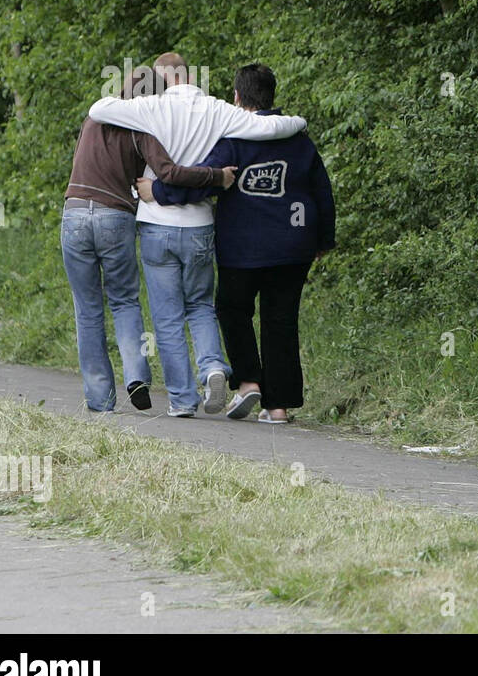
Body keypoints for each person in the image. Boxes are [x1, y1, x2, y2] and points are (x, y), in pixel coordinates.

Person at [87, 52, 308, 417]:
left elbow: (98, 109)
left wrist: (133, 98)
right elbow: (268, 127)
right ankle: (213, 368)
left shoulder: (149, 107)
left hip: (157, 223)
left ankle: (182, 400)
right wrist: (299, 121)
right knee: (201, 306)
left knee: (168, 317)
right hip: (200, 226)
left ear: (160, 78)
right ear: (191, 75)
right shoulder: (218, 109)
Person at [139, 63, 335, 424]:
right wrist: (324, 239)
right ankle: (278, 407)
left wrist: (158, 192)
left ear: (237, 97)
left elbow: (204, 180)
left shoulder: (233, 140)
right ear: (272, 95)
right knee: (281, 321)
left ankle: (248, 381)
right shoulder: (299, 140)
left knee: (232, 310)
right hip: (294, 246)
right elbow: (322, 191)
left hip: (242, 249)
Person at [62, 65, 236, 413]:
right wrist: (216, 176)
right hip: (117, 216)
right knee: (124, 301)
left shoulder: (91, 120)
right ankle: (137, 375)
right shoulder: (142, 129)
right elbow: (170, 173)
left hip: (75, 211)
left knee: (87, 309)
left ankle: (100, 400)